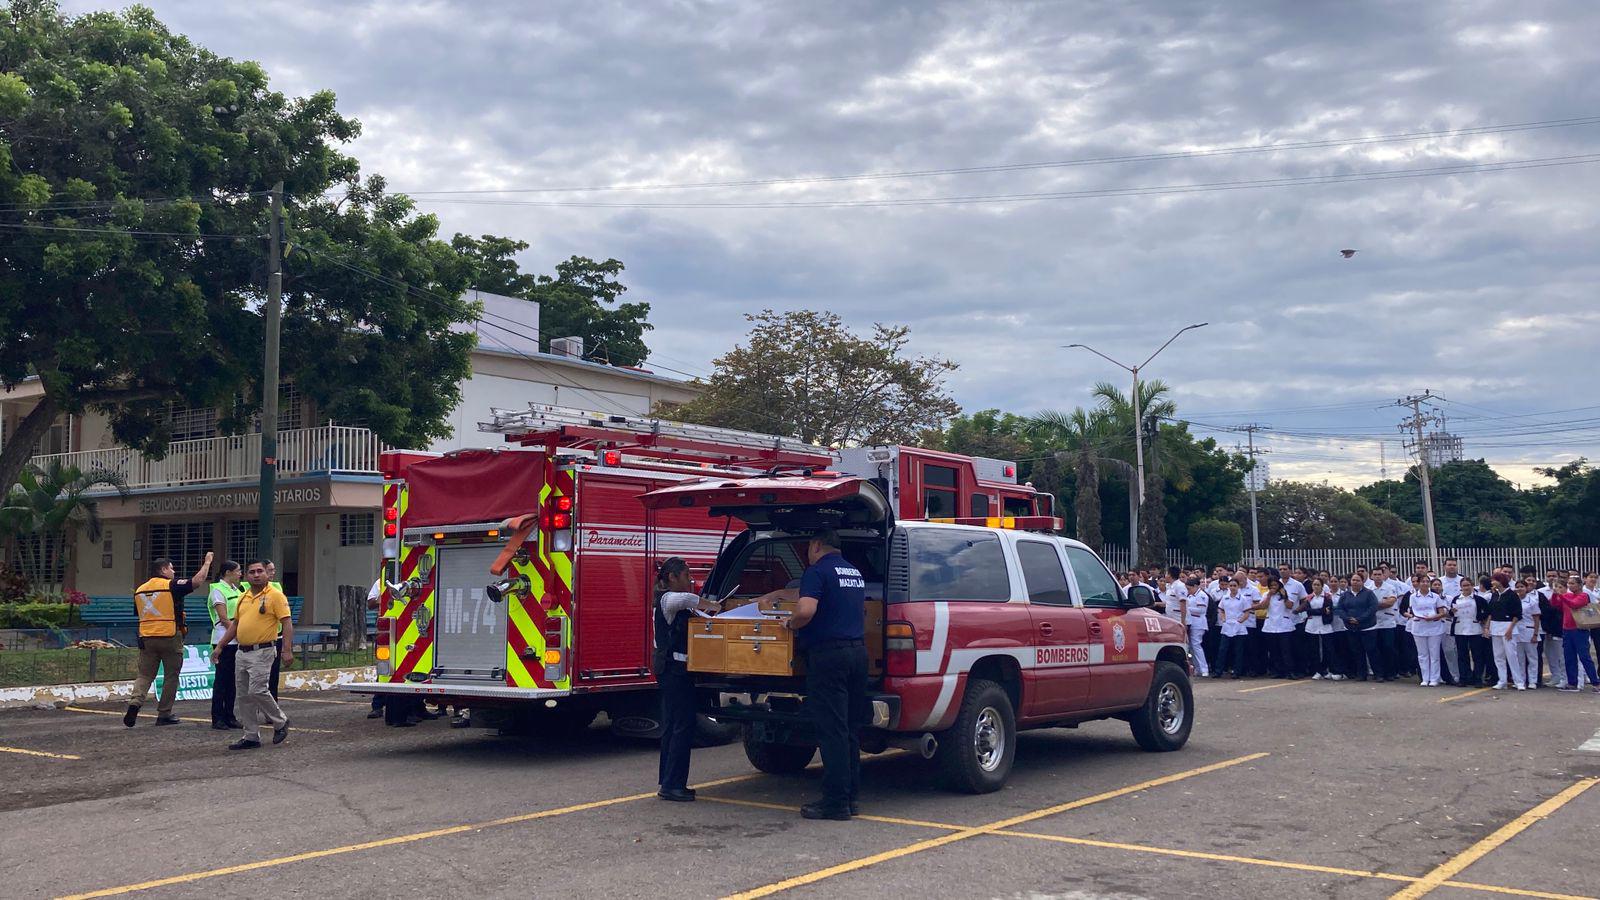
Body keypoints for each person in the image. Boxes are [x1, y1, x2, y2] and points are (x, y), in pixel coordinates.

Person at [764, 530, 867, 821]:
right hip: (857, 654)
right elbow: (819, 596)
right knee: (848, 729)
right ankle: (850, 797)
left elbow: (807, 608)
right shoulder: (852, 571)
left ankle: (834, 803)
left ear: (816, 545)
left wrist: (790, 623)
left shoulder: (816, 570)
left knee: (831, 730)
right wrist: (779, 595)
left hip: (828, 656)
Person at [652, 557, 720, 801]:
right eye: (686, 575)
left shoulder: (667, 600)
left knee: (672, 726)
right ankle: (673, 785)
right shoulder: (668, 599)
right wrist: (714, 606)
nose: (690, 580)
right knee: (682, 726)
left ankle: (668, 781)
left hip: (675, 671)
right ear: (672, 577)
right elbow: (688, 599)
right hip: (674, 671)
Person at [124, 552, 214, 727]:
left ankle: (135, 703)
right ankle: (164, 713)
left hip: (147, 637)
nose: (174, 571)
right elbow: (196, 582)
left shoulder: (140, 590)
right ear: (163, 569)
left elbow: (140, 614)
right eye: (171, 568)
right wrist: (207, 563)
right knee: (171, 676)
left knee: (144, 675)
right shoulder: (171, 585)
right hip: (170, 635)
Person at [210, 560, 293, 749]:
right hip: (242, 651)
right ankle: (251, 736)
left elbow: (287, 623)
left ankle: (280, 721)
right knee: (243, 696)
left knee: (258, 690)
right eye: (251, 572)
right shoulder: (243, 596)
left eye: (259, 571)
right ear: (247, 576)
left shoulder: (275, 596)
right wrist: (220, 646)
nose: (256, 575)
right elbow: (236, 624)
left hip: (262, 650)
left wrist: (287, 649)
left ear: (267, 574)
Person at [208, 561, 245, 730]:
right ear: (228, 572)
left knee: (232, 681)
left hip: (235, 640)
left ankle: (230, 715)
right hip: (223, 639)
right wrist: (237, 633)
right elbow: (223, 618)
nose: (240, 574)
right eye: (238, 571)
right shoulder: (217, 590)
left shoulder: (236, 590)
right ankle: (218, 717)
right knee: (222, 680)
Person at [1552, 577, 1600, 693]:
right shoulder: (1567, 596)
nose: (1570, 586)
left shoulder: (1583, 596)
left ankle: (1596, 682)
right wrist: (1555, 594)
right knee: (1569, 657)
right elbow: (1555, 605)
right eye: (1569, 583)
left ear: (1579, 585)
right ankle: (1572, 683)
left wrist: (1561, 595)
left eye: (1572, 583)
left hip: (1579, 630)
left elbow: (1574, 605)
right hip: (1567, 629)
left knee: (1584, 657)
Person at [1452, 577, 1492, 687]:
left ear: (1472, 585)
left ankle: (1478, 678)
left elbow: (1488, 612)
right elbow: (1452, 614)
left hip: (1475, 629)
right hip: (1460, 630)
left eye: (1468, 585)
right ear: (1461, 587)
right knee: (1462, 656)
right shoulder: (1456, 599)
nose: (1466, 588)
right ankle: (1464, 678)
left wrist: (1482, 620)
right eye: (1464, 585)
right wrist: (1452, 611)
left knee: (1477, 656)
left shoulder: (1479, 599)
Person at [1408, 577, 1449, 686]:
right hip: (1419, 627)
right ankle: (1425, 678)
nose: (1425, 583)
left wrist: (1433, 617)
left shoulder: (1435, 596)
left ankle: (1434, 678)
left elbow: (1442, 612)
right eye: (1423, 582)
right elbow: (1413, 611)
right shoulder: (1413, 596)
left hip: (1434, 627)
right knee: (1422, 655)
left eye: (1427, 582)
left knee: (1434, 654)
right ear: (1419, 583)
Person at [1304, 576, 1345, 680]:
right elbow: (1308, 611)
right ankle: (1318, 671)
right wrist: (1321, 611)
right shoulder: (1309, 597)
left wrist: (1319, 611)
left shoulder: (1327, 597)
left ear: (1322, 586)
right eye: (1314, 584)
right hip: (1312, 626)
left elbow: (1328, 610)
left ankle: (1335, 670)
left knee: (1329, 649)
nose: (1316, 586)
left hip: (1325, 625)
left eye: (1318, 585)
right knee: (1314, 650)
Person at [1488, 574, 1523, 690]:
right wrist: (1487, 627)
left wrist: (1510, 629)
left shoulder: (1512, 595)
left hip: (1508, 626)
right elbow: (1491, 613)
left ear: (1500, 581)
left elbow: (1517, 614)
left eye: (1494, 580)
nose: (1492, 583)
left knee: (1512, 655)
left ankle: (1518, 681)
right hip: (1495, 626)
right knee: (1498, 656)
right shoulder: (1494, 595)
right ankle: (1502, 680)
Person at [1260, 575, 1296, 679]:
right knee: (1274, 650)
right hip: (1271, 625)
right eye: (1271, 585)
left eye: (1275, 585)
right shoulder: (1266, 594)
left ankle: (1289, 671)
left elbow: (1290, 606)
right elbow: (1264, 606)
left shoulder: (1285, 593)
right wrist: (1269, 596)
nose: (1273, 587)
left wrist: (1285, 597)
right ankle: (1277, 671)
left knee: (1286, 650)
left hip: (1284, 625)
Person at [1215, 577, 1251, 679]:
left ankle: (1237, 671)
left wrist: (1240, 621)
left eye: (1234, 586)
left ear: (1238, 586)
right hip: (1227, 626)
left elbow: (1247, 612)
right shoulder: (1225, 598)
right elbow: (1220, 609)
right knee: (1222, 649)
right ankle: (1218, 671)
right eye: (1230, 585)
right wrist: (1223, 619)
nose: (1232, 588)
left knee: (1238, 650)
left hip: (1239, 627)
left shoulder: (1243, 598)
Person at [1516, 577, 1542, 690]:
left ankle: (1532, 681)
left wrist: (1535, 634)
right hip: (1516, 632)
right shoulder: (1513, 600)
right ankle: (1521, 681)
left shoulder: (1532, 601)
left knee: (1532, 658)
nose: (1519, 589)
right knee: (1519, 659)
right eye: (1517, 587)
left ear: (1526, 588)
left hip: (1529, 631)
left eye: (1522, 587)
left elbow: (1536, 618)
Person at [1181, 577, 1210, 677]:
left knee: (1196, 645)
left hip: (1199, 623)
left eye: (1189, 588)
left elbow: (1201, 610)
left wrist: (1186, 609)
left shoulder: (1202, 595)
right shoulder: (1190, 596)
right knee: (1192, 647)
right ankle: (1198, 668)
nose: (1188, 590)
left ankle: (1204, 668)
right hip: (1191, 622)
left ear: (1195, 586)